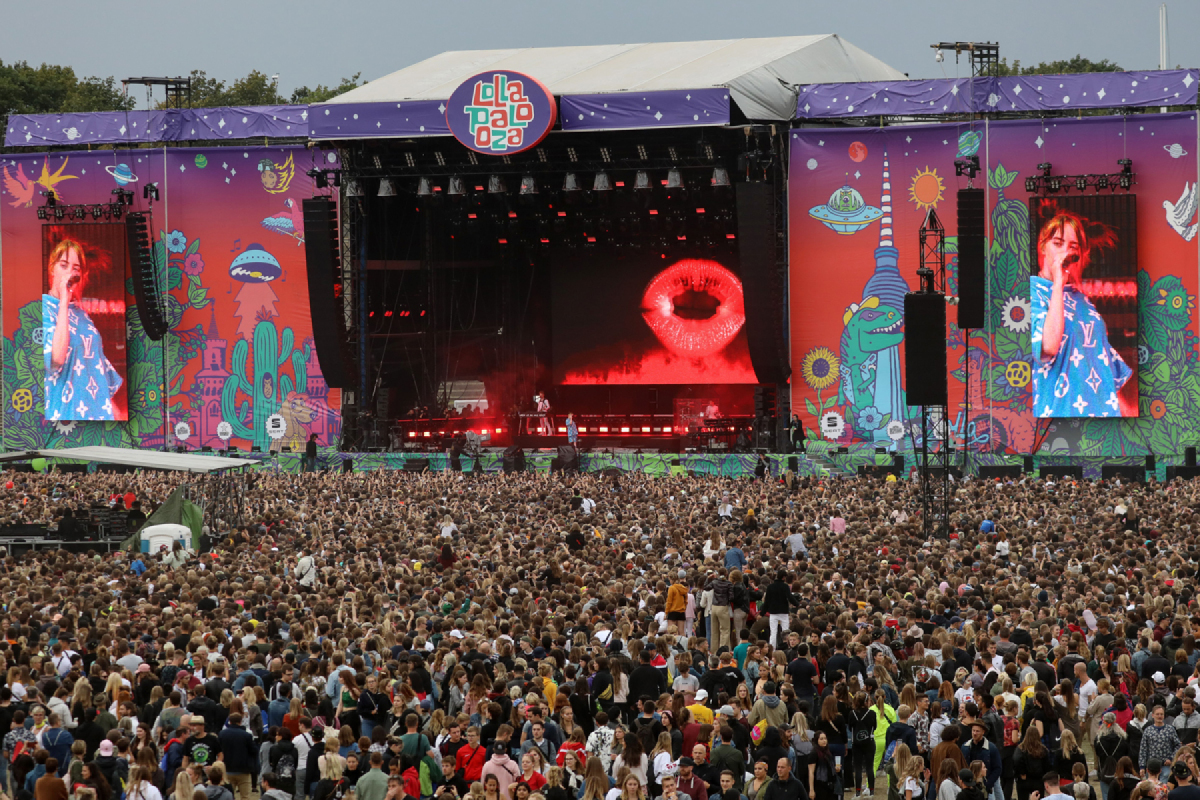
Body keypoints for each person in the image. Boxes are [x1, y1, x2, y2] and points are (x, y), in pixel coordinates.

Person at [1029, 208, 1134, 417]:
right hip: (1060, 416)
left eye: (1072, 247)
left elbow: (1102, 364)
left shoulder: (1082, 300)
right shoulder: (1031, 292)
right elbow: (1048, 347)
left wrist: (1128, 414)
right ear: (1042, 247)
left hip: (1103, 418)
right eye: (1057, 244)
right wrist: (1058, 284)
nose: (1065, 253)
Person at [42, 238, 123, 421]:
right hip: (64, 416)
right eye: (64, 265)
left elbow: (95, 367)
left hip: (97, 417)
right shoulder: (41, 309)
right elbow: (55, 359)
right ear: (52, 269)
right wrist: (64, 302)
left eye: (76, 269)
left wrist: (113, 410)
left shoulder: (83, 316)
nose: (70, 273)